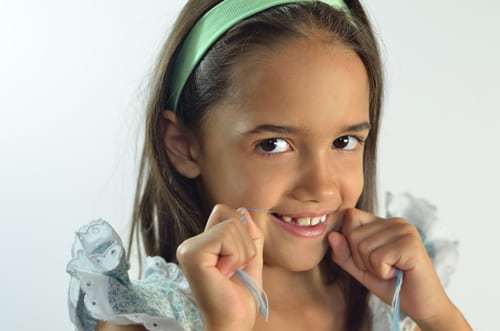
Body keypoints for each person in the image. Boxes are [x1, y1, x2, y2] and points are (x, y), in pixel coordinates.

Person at [66, 1, 473, 330]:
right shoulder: (142, 323)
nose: (320, 187)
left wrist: (438, 317)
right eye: (274, 144)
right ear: (184, 146)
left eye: (344, 142)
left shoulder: (393, 300)